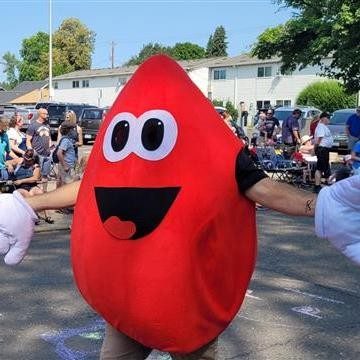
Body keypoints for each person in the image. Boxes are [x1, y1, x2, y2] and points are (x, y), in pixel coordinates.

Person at [1, 55, 359, 360]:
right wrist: (26, 203)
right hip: (126, 298)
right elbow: (91, 189)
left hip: (187, 304)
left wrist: (320, 205)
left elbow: (262, 189)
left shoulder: (217, 149)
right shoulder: (121, 151)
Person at [26, 108, 52, 190]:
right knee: (36, 175)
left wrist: (50, 149)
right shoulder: (33, 125)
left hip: (47, 154)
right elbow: (28, 140)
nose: (47, 115)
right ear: (40, 114)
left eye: (47, 114)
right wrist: (31, 150)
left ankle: (44, 191)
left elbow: (49, 138)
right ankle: (35, 191)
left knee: (45, 175)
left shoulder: (47, 125)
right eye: (45, 114)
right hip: (37, 154)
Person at [313, 112, 333, 193]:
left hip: (324, 149)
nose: (329, 119)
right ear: (323, 118)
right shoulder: (321, 126)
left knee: (326, 167)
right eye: (328, 118)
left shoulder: (323, 126)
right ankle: (317, 186)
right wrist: (314, 148)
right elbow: (319, 139)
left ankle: (328, 182)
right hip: (322, 149)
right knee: (320, 168)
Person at [56, 120, 77, 187]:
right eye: (73, 129)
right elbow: (59, 153)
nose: (74, 131)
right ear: (68, 130)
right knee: (67, 185)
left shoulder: (67, 139)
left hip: (67, 165)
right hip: (67, 166)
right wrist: (65, 166)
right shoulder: (66, 140)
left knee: (62, 184)